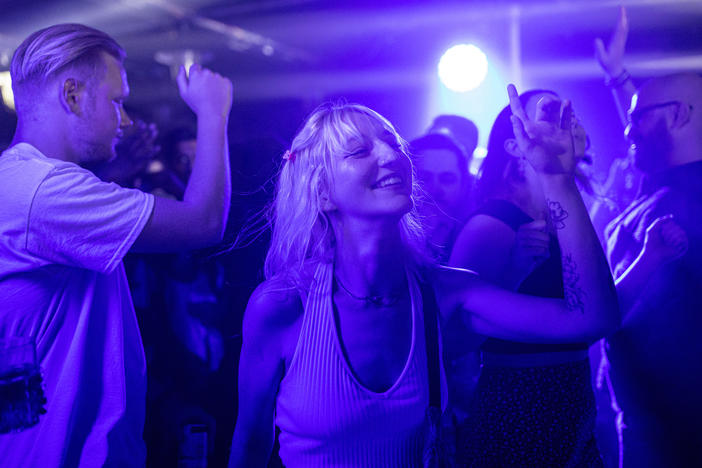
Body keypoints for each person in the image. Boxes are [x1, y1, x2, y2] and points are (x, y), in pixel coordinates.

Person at [228, 86, 618, 467]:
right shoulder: (283, 305)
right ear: (323, 193)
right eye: (360, 151)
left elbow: (593, 318)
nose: (391, 156)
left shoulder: (445, 293)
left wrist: (555, 178)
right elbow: (250, 442)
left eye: (393, 144)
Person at [0, 23, 233, 467]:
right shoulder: (46, 191)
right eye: (117, 101)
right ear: (72, 96)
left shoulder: (21, 180)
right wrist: (213, 113)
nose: (124, 119)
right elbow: (203, 222)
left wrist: (115, 174)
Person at [449, 89, 606, 467]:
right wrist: (515, 270)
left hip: (571, 403)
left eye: (567, 111)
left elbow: (604, 310)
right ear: (515, 146)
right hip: (517, 405)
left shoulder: (562, 218)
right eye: (548, 113)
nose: (567, 120)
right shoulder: (490, 225)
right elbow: (451, 340)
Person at [603, 71, 702, 468]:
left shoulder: (678, 203)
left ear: (678, 114)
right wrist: (618, 80)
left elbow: (614, 312)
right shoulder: (662, 192)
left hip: (674, 431)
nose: (628, 132)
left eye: (638, 117)